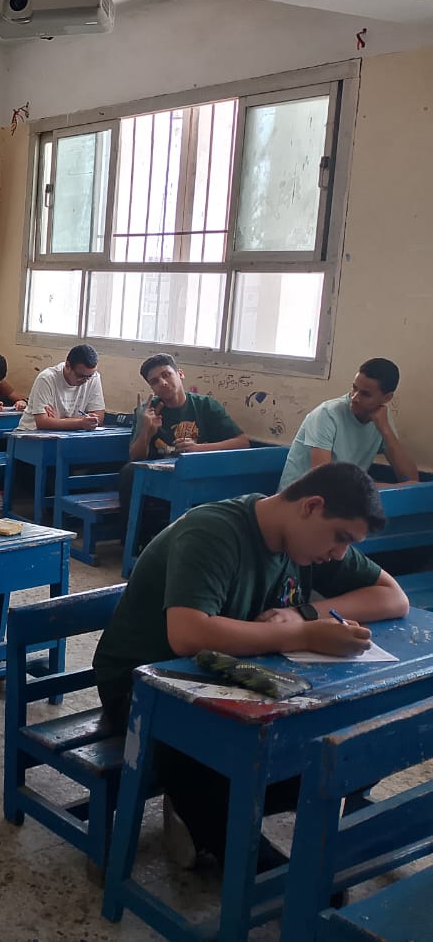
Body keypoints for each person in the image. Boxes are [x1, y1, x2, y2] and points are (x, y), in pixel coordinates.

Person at [93, 462, 408, 869]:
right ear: (311, 506)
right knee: (216, 754)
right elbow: (187, 634)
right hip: (142, 686)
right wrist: (303, 636)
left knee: (354, 750)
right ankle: (219, 829)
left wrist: (304, 614)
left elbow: (393, 597)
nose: (339, 554)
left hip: (225, 677)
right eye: (340, 538)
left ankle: (198, 807)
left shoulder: (308, 543)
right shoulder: (213, 531)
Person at [121, 353, 250, 549]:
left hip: (200, 476)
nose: (163, 383)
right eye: (155, 381)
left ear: (180, 374)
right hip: (161, 481)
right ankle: (135, 545)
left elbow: (242, 443)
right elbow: (135, 458)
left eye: (167, 374)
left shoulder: (205, 406)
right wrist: (146, 431)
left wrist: (198, 449)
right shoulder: (147, 411)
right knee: (128, 472)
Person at [279, 358, 418, 491]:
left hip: (343, 498)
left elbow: (410, 479)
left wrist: (386, 430)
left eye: (365, 394)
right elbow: (323, 481)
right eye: (354, 388)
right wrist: (394, 488)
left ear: (387, 398)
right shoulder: (327, 414)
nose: (355, 398)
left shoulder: (381, 419)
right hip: (301, 499)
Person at [17, 344, 105, 432]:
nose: (85, 380)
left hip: (66, 433)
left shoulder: (94, 378)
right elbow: (42, 423)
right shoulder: (46, 378)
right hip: (31, 433)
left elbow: (98, 419)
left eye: (90, 376)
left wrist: (60, 421)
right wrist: (80, 423)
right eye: (80, 376)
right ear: (67, 366)